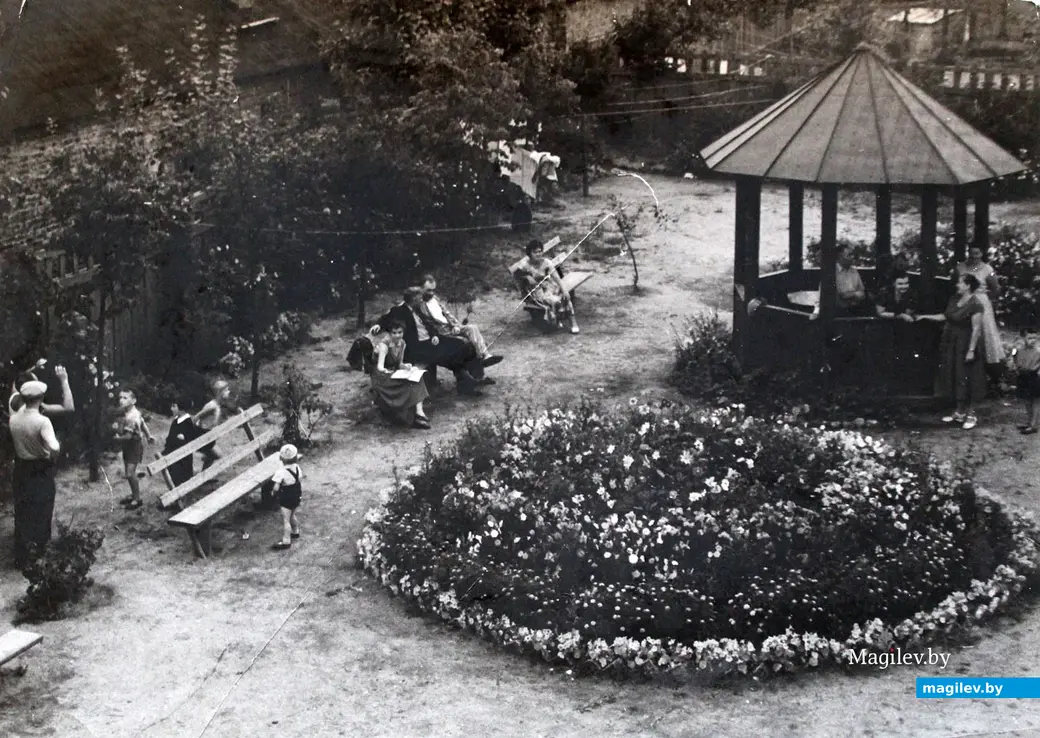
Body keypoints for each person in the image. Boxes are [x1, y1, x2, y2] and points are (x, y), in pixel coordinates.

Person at [371, 287, 485, 396]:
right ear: (412, 299)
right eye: (419, 298)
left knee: (463, 345)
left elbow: (428, 325)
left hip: (430, 341)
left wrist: (434, 335)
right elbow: (386, 318)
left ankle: (471, 378)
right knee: (453, 353)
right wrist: (378, 325)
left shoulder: (418, 309)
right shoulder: (399, 310)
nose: (421, 299)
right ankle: (466, 383)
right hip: (417, 347)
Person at [918, 274, 987, 430]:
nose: (957, 285)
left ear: (968, 285)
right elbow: (946, 316)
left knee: (969, 377)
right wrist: (924, 316)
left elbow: (976, 328)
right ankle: (959, 411)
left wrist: (971, 350)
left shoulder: (976, 304)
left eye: (960, 283)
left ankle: (972, 414)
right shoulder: (954, 299)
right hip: (952, 342)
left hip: (966, 343)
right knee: (956, 375)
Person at [8, 380, 60, 570]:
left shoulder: (14, 418)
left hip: (21, 467)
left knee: (23, 509)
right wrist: (53, 456)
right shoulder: (42, 421)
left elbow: (13, 399)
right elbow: (54, 446)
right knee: (43, 507)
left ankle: (21, 555)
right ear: (41, 398)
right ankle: (39, 553)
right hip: (39, 467)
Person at [417, 274, 503, 378]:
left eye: (433, 290)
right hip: (442, 333)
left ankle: (485, 355)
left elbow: (446, 313)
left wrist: (455, 325)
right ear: (421, 288)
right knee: (466, 345)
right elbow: (428, 324)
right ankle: (474, 372)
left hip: (450, 327)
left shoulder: (434, 299)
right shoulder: (419, 305)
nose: (431, 293)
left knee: (472, 328)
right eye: (428, 290)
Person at [954, 246, 1005, 391]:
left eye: (977, 253)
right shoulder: (960, 267)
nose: (973, 256)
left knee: (983, 334)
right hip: (963, 300)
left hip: (981, 301)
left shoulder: (987, 269)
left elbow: (996, 288)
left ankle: (988, 374)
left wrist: (986, 301)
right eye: (971, 253)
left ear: (982, 254)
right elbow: (954, 284)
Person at [371, 321, 431, 429]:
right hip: (382, 377)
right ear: (389, 333)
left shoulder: (402, 343)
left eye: (400, 332)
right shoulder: (384, 345)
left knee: (418, 377)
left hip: (394, 373)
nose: (397, 335)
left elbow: (399, 364)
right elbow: (380, 367)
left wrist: (406, 366)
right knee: (410, 384)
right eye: (394, 333)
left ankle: (419, 412)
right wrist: (386, 371)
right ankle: (416, 415)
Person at [515, 239, 580, 333]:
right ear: (529, 253)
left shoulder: (546, 262)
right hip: (536, 291)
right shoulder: (525, 264)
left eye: (540, 251)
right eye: (535, 252)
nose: (538, 254)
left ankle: (573, 323)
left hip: (549, 286)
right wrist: (527, 276)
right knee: (555, 300)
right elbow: (517, 274)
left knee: (564, 296)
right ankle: (556, 320)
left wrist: (564, 290)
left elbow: (556, 277)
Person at [112, 390, 155, 509]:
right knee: (129, 473)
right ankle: (134, 494)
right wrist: (148, 435)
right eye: (120, 397)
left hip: (134, 446)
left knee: (130, 474)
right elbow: (143, 424)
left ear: (133, 400)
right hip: (129, 446)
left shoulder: (131, 416)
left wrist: (116, 439)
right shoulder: (133, 412)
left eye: (125, 398)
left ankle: (138, 499)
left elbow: (128, 437)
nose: (121, 400)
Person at [811, 244, 868, 319]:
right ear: (840, 257)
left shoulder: (854, 271)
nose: (852, 257)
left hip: (854, 311)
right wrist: (816, 312)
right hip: (836, 314)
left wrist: (849, 295)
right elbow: (822, 296)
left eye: (852, 255)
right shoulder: (831, 273)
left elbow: (862, 293)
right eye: (849, 255)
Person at [8, 361, 74, 416]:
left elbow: (20, 379)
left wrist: (35, 368)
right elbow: (69, 408)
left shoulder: (14, 395)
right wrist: (64, 380)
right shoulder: (38, 408)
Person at [270, 444, 303, 551]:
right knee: (292, 514)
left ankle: (286, 541)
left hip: (286, 497)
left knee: (286, 519)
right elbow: (299, 479)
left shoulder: (281, 472)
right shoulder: (297, 468)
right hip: (297, 495)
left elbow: (276, 487)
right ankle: (296, 531)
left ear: (281, 459)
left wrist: (273, 493)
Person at [164, 396, 201, 487]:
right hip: (172, 453)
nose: (171, 409)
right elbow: (170, 437)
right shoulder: (176, 421)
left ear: (181, 408)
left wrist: (183, 438)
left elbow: (191, 438)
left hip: (183, 457)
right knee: (173, 476)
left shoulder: (188, 422)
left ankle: (183, 496)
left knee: (182, 478)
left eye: (174, 406)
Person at [194, 379, 231, 468]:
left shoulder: (218, 405)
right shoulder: (212, 406)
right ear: (220, 392)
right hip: (203, 437)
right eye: (226, 390)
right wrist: (199, 434)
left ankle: (204, 478)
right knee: (217, 454)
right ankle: (203, 474)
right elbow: (196, 417)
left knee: (214, 455)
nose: (229, 392)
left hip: (209, 437)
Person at [1010, 330, 1040, 435]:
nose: (1032, 341)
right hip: (1023, 376)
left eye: (1034, 338)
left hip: (1034, 376)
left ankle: (1034, 424)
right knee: (1027, 400)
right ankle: (1029, 422)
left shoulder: (1038, 351)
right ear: (1024, 339)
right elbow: (1015, 361)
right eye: (1029, 338)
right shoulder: (1020, 351)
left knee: (1035, 400)